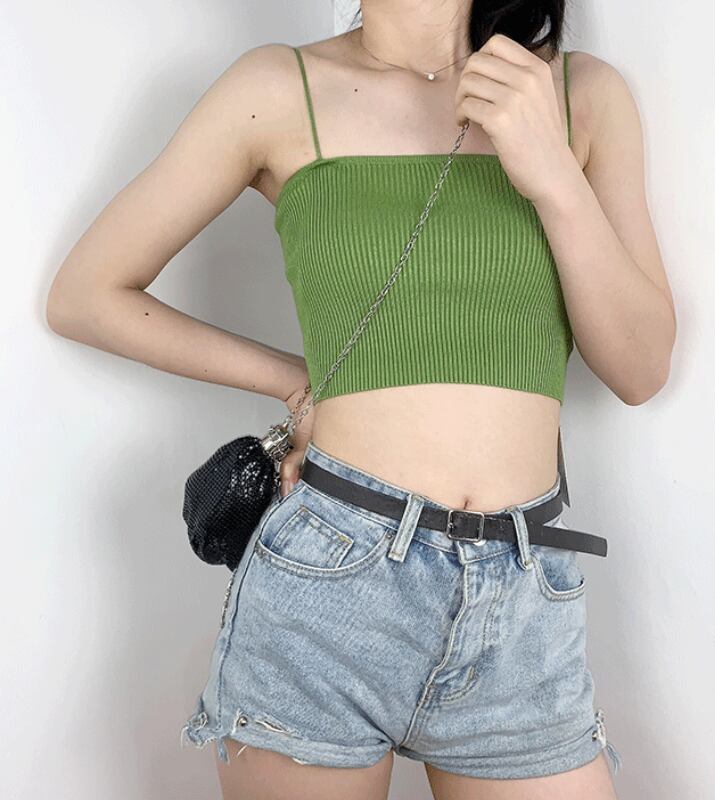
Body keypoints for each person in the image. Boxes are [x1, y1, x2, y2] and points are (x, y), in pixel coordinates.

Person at [46, 2, 676, 798]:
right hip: (330, 577)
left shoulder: (579, 93)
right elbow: (86, 294)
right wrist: (295, 381)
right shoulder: (277, 87)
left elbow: (639, 368)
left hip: (524, 591)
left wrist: (551, 173)